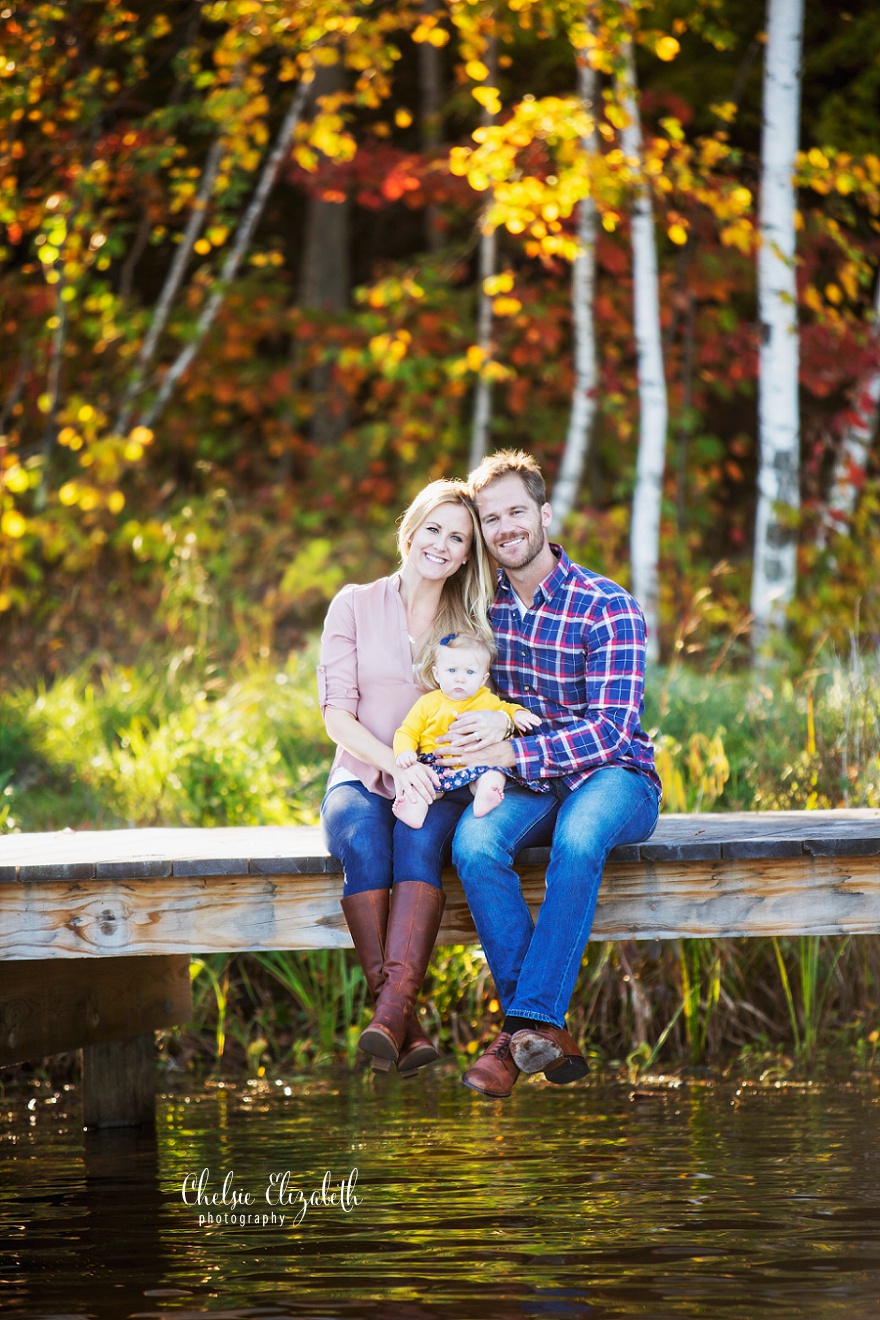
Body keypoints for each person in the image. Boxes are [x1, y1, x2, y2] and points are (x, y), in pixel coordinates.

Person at [436, 450, 662, 1099]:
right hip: (531, 780)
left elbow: (612, 730)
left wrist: (510, 756)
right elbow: (471, 703)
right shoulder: (482, 612)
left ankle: (516, 1035)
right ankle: (540, 1032)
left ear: (543, 514)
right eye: (491, 519)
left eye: (515, 512)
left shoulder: (607, 605)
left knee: (579, 838)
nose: (505, 527)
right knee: (474, 845)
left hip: (616, 775)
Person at [318, 479, 495, 1077]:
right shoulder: (354, 603)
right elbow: (336, 713)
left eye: (458, 538)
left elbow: (486, 708)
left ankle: (390, 1014)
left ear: (468, 554)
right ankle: (401, 1019)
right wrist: (394, 761)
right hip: (363, 769)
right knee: (364, 842)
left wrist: (444, 766)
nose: (442, 545)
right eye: (434, 529)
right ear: (410, 529)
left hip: (438, 780)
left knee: (417, 841)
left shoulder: (470, 620)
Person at [392, 631, 541, 828]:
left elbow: (506, 709)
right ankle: (414, 810)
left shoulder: (486, 699)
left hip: (476, 764)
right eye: (452, 671)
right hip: (436, 765)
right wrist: (404, 752)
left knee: (494, 773)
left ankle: (486, 795)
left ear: (482, 678)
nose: (460, 679)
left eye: (470, 672)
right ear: (437, 673)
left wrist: (519, 714)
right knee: (423, 785)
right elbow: (407, 731)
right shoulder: (428, 703)